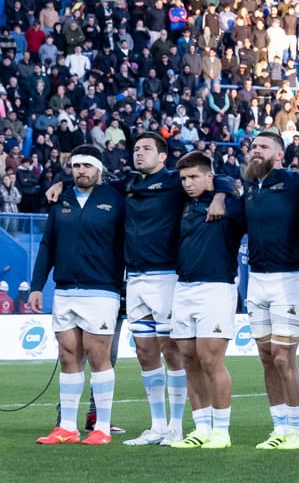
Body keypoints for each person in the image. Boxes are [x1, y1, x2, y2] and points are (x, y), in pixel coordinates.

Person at [29, 147, 125, 447]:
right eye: (76, 166)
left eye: (87, 166)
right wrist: (36, 285)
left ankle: (103, 427)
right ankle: (67, 427)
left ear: (99, 169)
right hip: (65, 290)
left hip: (102, 289)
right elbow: (47, 245)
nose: (81, 170)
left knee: (99, 356)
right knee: (68, 355)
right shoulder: (62, 200)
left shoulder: (116, 198)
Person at [240, 131, 299, 450]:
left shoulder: (297, 183)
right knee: (266, 357)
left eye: (263, 147)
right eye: (253, 147)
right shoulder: (248, 186)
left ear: (280, 154)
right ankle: (279, 427)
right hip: (256, 281)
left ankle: (297, 430)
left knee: (284, 357)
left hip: (288, 280)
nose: (256, 151)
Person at [165, 153, 245, 448]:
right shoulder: (184, 204)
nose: (187, 183)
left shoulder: (231, 207)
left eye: (194, 177)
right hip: (183, 288)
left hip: (216, 287)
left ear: (209, 177)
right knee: (189, 360)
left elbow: (231, 180)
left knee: (211, 360)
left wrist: (222, 194)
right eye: (184, 178)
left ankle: (221, 431)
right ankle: (201, 428)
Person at [117, 134, 190, 444]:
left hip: (166, 276)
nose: (139, 153)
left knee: (171, 350)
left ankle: (176, 426)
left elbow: (219, 178)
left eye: (147, 149)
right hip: (135, 278)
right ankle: (157, 425)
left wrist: (222, 192)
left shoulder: (175, 180)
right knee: (144, 351)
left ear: (163, 157)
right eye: (136, 149)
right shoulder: (129, 184)